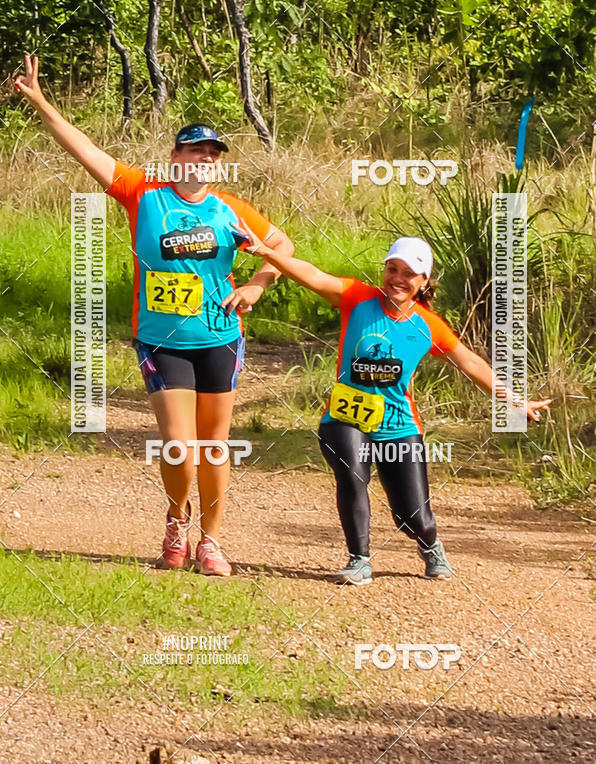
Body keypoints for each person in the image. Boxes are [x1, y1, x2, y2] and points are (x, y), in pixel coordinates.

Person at [15, 54, 294, 576]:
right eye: (195, 152)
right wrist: (40, 102)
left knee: (213, 448)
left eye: (212, 155)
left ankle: (210, 541)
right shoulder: (143, 192)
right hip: (163, 339)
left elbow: (283, 244)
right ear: (175, 157)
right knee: (176, 445)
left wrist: (258, 282)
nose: (204, 161)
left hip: (219, 336)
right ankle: (176, 519)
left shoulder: (232, 207)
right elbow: (87, 152)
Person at [239, 227, 552, 585]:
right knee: (352, 475)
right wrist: (268, 252)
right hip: (345, 417)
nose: (398, 279)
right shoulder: (357, 298)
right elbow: (311, 274)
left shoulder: (428, 325)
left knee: (412, 516)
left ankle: (430, 545)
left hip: (399, 426)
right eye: (393, 269)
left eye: (408, 273)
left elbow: (472, 364)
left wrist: (514, 400)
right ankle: (359, 560)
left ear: (423, 280)